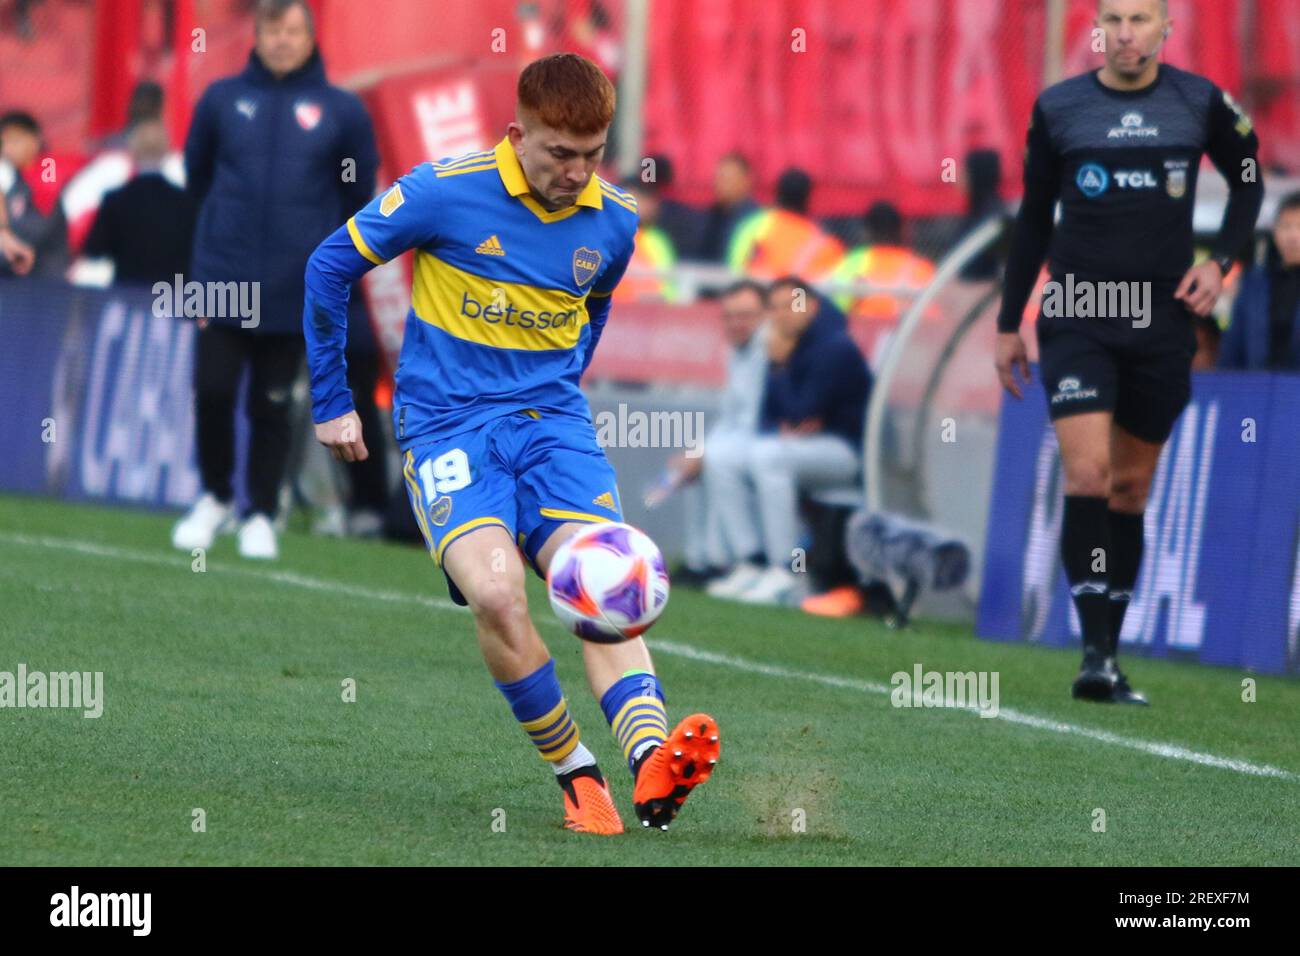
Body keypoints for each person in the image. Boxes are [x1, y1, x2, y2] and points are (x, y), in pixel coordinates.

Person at [302, 53, 720, 836]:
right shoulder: (442, 191)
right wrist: (335, 402)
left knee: (606, 584)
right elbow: (330, 266)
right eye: (561, 153)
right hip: (448, 430)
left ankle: (651, 762)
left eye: (593, 154)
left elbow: (589, 313)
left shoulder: (615, 221)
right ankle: (575, 776)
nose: (578, 172)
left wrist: (555, 393)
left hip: (551, 426)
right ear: (516, 133)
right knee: (497, 593)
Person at [995, 0, 1263, 704]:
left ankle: (1108, 654)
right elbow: (1031, 219)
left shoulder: (1198, 101)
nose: (1124, 32)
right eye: (1112, 19)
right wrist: (1006, 322)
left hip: (1161, 320)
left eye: (1140, 19)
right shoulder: (1060, 109)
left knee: (1129, 488)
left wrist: (1221, 261)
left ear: (1165, 28)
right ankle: (1090, 652)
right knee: (1087, 474)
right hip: (1079, 312)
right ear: (1096, 30)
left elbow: (1249, 182)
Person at [171, 0, 379, 560]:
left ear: (310, 38)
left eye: (292, 31)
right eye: (272, 30)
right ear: (257, 35)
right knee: (211, 392)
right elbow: (197, 178)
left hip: (295, 286)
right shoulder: (219, 99)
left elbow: (358, 197)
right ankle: (215, 496)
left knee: (272, 405)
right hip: (222, 276)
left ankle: (260, 512)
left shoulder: (343, 111)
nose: (282, 40)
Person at [707, 276, 871, 606]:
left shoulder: (833, 345)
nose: (783, 314)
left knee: (768, 456)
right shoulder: (783, 344)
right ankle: (750, 560)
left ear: (811, 306)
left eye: (791, 305)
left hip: (848, 454)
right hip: (805, 447)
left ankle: (786, 569)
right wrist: (790, 416)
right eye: (776, 307)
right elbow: (772, 414)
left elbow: (801, 409)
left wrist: (781, 368)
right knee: (720, 457)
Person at [667, 278, 769, 585]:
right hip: (745, 440)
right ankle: (703, 561)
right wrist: (698, 451)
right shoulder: (736, 351)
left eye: (746, 315)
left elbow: (754, 420)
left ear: (764, 316)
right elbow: (730, 417)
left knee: (715, 459)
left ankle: (747, 559)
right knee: (696, 460)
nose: (736, 323)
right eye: (730, 316)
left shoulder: (767, 351)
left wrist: (705, 453)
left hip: (770, 440)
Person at [81, 118, 196, 285]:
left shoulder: (115, 200)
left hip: (128, 296)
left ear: (133, 151)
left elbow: (94, 250)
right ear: (166, 151)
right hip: (173, 298)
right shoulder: (187, 203)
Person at [1218, 191, 1300, 371]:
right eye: (1286, 226)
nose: (1293, 236)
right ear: (1275, 232)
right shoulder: (1254, 283)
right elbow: (1234, 343)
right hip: (1256, 389)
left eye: (1299, 227)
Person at [727, 167, 844, 280]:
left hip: (750, 295)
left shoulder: (753, 225)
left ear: (777, 194)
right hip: (796, 298)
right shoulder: (821, 241)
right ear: (808, 198)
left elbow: (735, 268)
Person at [828, 201, 935, 321]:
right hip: (912, 332)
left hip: (865, 330)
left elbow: (836, 305)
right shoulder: (922, 267)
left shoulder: (853, 262)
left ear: (867, 231)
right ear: (902, 230)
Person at [0, 110, 67, 278]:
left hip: (43, 284)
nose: (7, 148)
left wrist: (6, 235)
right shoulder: (12, 179)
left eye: (15, 141)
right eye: (4, 142)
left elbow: (33, 231)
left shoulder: (47, 171)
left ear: (35, 139)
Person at [698, 151, 758, 264]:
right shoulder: (712, 217)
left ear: (746, 181)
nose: (718, 184)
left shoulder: (757, 222)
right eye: (717, 178)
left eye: (726, 179)